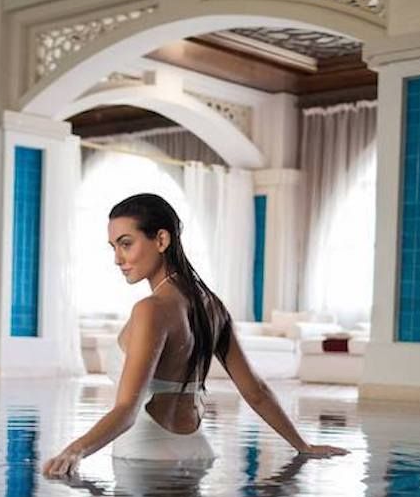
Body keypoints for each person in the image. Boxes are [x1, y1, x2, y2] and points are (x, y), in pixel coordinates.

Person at [42, 193, 347, 478]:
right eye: (114, 247)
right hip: (199, 453)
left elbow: (126, 411)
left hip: (145, 457)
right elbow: (255, 392)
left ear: (161, 239)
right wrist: (302, 446)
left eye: (125, 243)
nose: (118, 259)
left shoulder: (151, 309)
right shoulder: (212, 306)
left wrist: (74, 451)